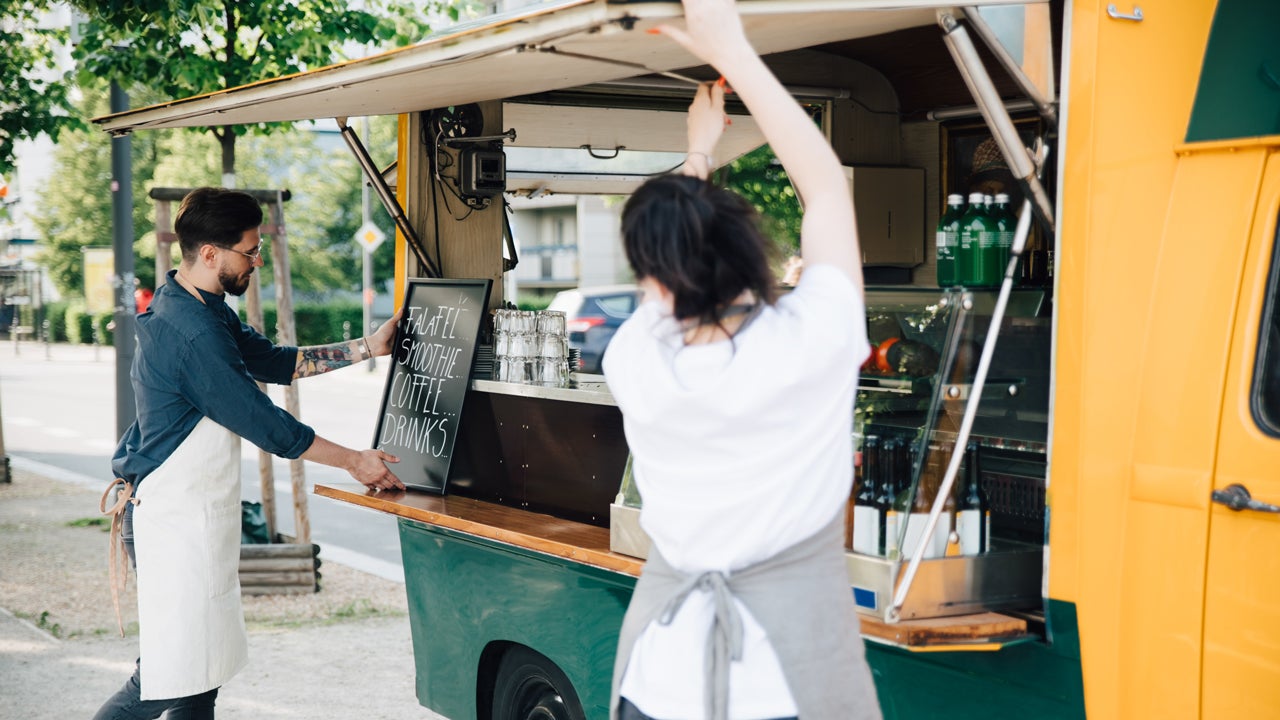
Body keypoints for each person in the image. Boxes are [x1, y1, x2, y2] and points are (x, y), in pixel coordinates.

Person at [601, 2, 881, 719]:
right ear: (749, 250)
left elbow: (669, 259)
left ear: (654, 280)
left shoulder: (635, 355)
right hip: (787, 682)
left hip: (658, 683)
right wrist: (737, 53)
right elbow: (824, 187)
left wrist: (698, 148)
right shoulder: (809, 340)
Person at [93, 187, 406, 720]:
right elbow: (265, 424)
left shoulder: (198, 305)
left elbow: (276, 361)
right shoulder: (191, 331)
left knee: (201, 675)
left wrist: (367, 348)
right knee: (167, 682)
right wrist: (355, 460)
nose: (257, 261)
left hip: (189, 518)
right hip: (169, 520)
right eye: (249, 251)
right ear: (211, 252)